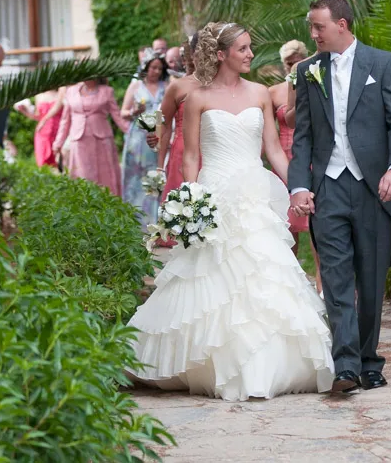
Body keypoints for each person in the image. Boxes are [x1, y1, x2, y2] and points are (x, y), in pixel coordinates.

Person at [128, 22, 334, 401]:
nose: (251, 54)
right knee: (212, 278)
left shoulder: (258, 93)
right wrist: (192, 201)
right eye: (243, 49)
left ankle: (270, 366)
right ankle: (212, 363)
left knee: (265, 271)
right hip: (215, 193)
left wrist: (299, 188)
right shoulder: (199, 98)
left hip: (254, 193)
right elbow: (190, 156)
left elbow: (273, 149)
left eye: (250, 47)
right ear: (221, 54)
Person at [289, 0, 391, 394]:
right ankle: (345, 365)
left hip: (374, 190)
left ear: (342, 25)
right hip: (327, 188)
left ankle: (369, 361)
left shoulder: (383, 64)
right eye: (312, 27)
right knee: (335, 278)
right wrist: (299, 185)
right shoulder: (307, 71)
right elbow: (303, 138)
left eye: (319, 27)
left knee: (370, 279)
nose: (313, 34)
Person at [269, 40, 322, 295]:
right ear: (283, 64)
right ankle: (292, 286)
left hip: (309, 155)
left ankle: (322, 283)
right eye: (290, 62)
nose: (294, 65)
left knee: (314, 222)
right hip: (282, 157)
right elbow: (266, 132)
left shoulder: (315, 80)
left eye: (298, 59)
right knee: (287, 225)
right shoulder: (272, 93)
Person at [52, 79, 127, 192]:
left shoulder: (107, 91)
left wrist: (133, 132)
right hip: (79, 140)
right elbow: (65, 120)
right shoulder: (70, 91)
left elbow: (117, 116)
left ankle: (110, 206)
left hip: (102, 139)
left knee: (105, 177)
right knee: (82, 176)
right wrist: (58, 142)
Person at [121, 49, 168, 226]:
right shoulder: (135, 86)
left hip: (159, 133)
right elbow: (123, 112)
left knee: (156, 173)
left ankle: (156, 217)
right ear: (145, 67)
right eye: (153, 67)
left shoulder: (167, 86)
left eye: (159, 68)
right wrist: (134, 111)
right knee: (136, 176)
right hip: (139, 136)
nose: (156, 71)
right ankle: (136, 218)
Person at [156, 33, 200, 199]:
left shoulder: (220, 85)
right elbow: (163, 122)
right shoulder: (177, 87)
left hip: (213, 151)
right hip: (182, 150)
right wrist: (160, 166)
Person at [15, 90, 64, 168]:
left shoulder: (61, 93)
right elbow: (38, 116)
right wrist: (25, 111)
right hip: (42, 134)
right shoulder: (39, 95)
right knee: (44, 165)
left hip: (58, 132)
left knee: (60, 164)